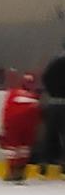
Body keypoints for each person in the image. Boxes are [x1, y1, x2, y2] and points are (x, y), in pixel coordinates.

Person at [0, 72, 42, 181]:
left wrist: (4, 127)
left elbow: (6, 111)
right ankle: (20, 171)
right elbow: (37, 115)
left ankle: (12, 171)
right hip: (28, 128)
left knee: (12, 150)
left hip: (13, 126)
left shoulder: (13, 93)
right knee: (24, 149)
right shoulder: (34, 97)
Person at [37, 45, 65, 174]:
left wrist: (51, 92)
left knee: (49, 136)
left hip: (52, 103)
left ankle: (43, 165)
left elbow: (45, 78)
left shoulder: (54, 62)